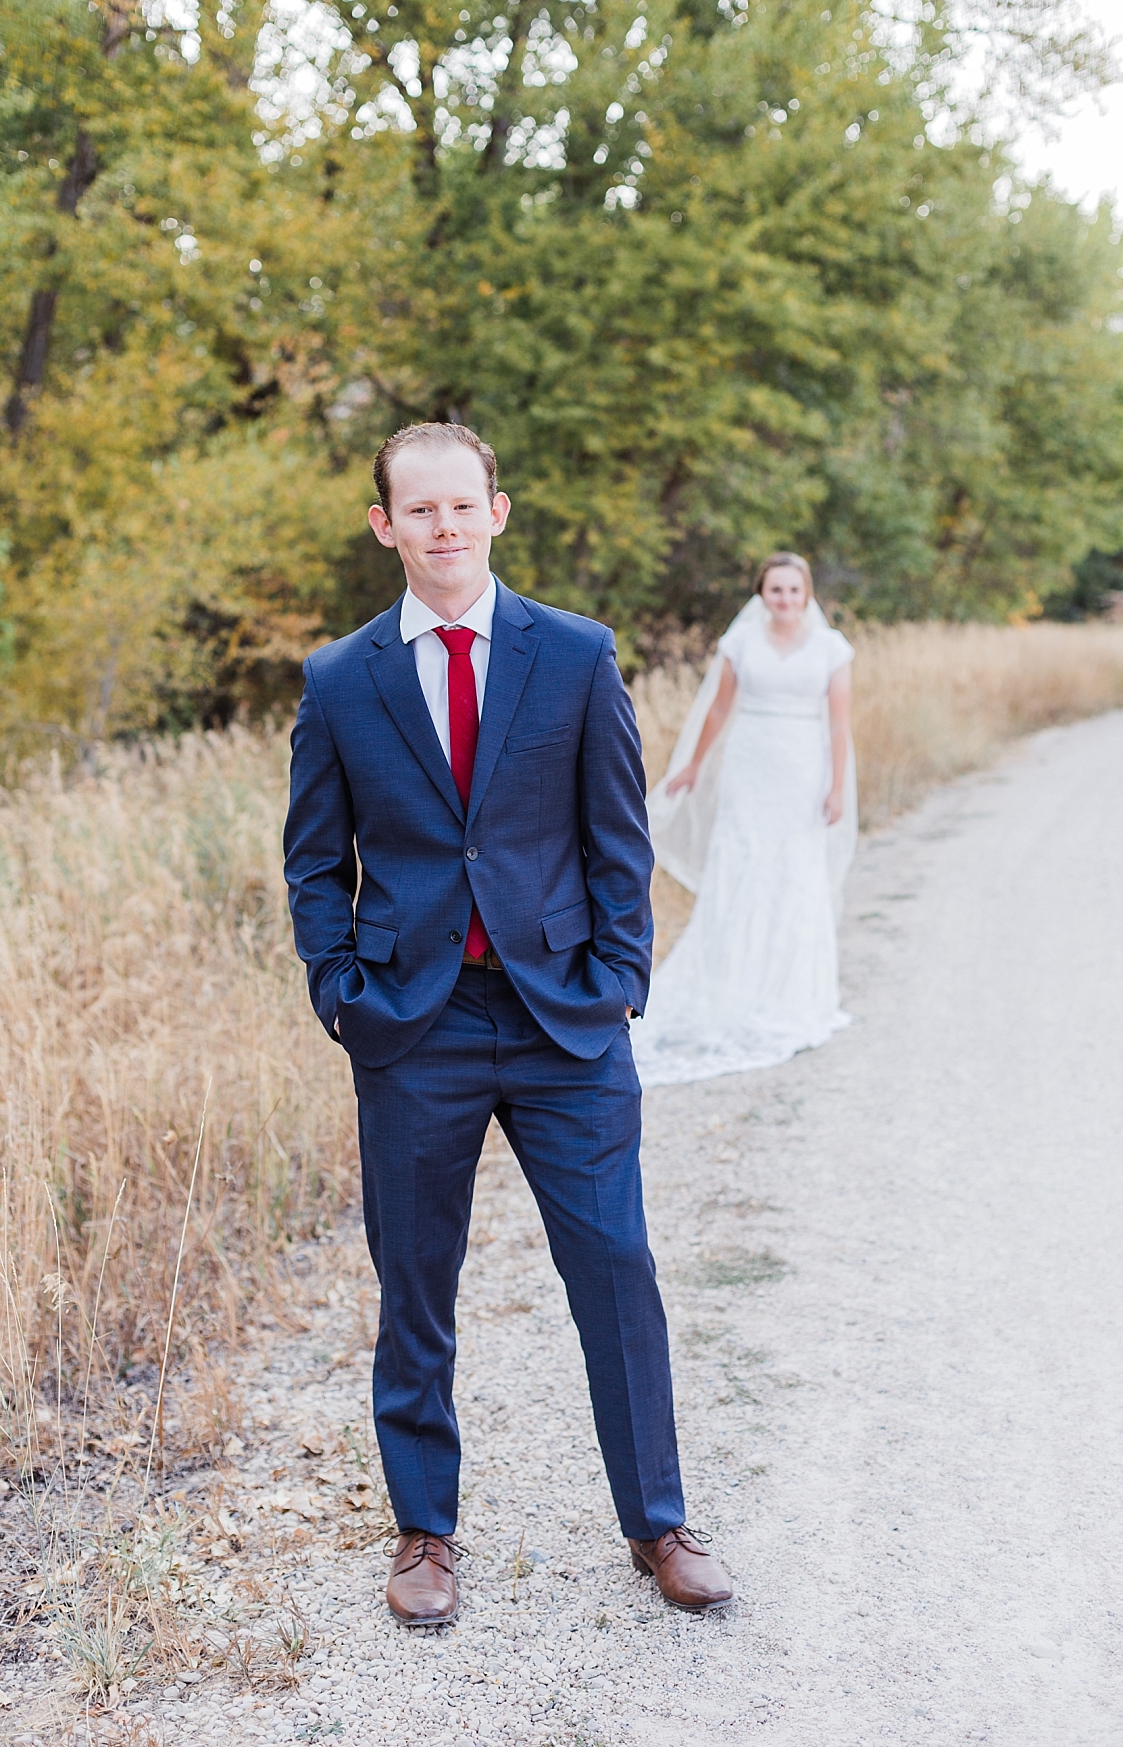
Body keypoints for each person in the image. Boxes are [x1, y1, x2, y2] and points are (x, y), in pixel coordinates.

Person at [284, 422, 732, 1626]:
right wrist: (340, 991)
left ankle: (659, 1521)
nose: (442, 528)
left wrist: (619, 980)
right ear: (385, 526)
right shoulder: (340, 680)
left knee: (617, 1267)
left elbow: (618, 838)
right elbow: (315, 864)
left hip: (563, 1021)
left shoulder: (576, 656)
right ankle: (425, 1534)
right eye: (416, 510)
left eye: (461, 507)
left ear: (498, 512)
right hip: (411, 1028)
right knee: (415, 1285)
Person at [631, 553, 857, 1088]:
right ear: (761, 595)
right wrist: (691, 766)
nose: (784, 600)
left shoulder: (831, 649)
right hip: (749, 769)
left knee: (795, 872)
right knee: (743, 865)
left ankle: (793, 994)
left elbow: (840, 722)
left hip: (803, 768)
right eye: (775, 590)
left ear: (807, 595)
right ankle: (731, 983)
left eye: (793, 591)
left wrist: (837, 786)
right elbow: (717, 709)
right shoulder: (741, 644)